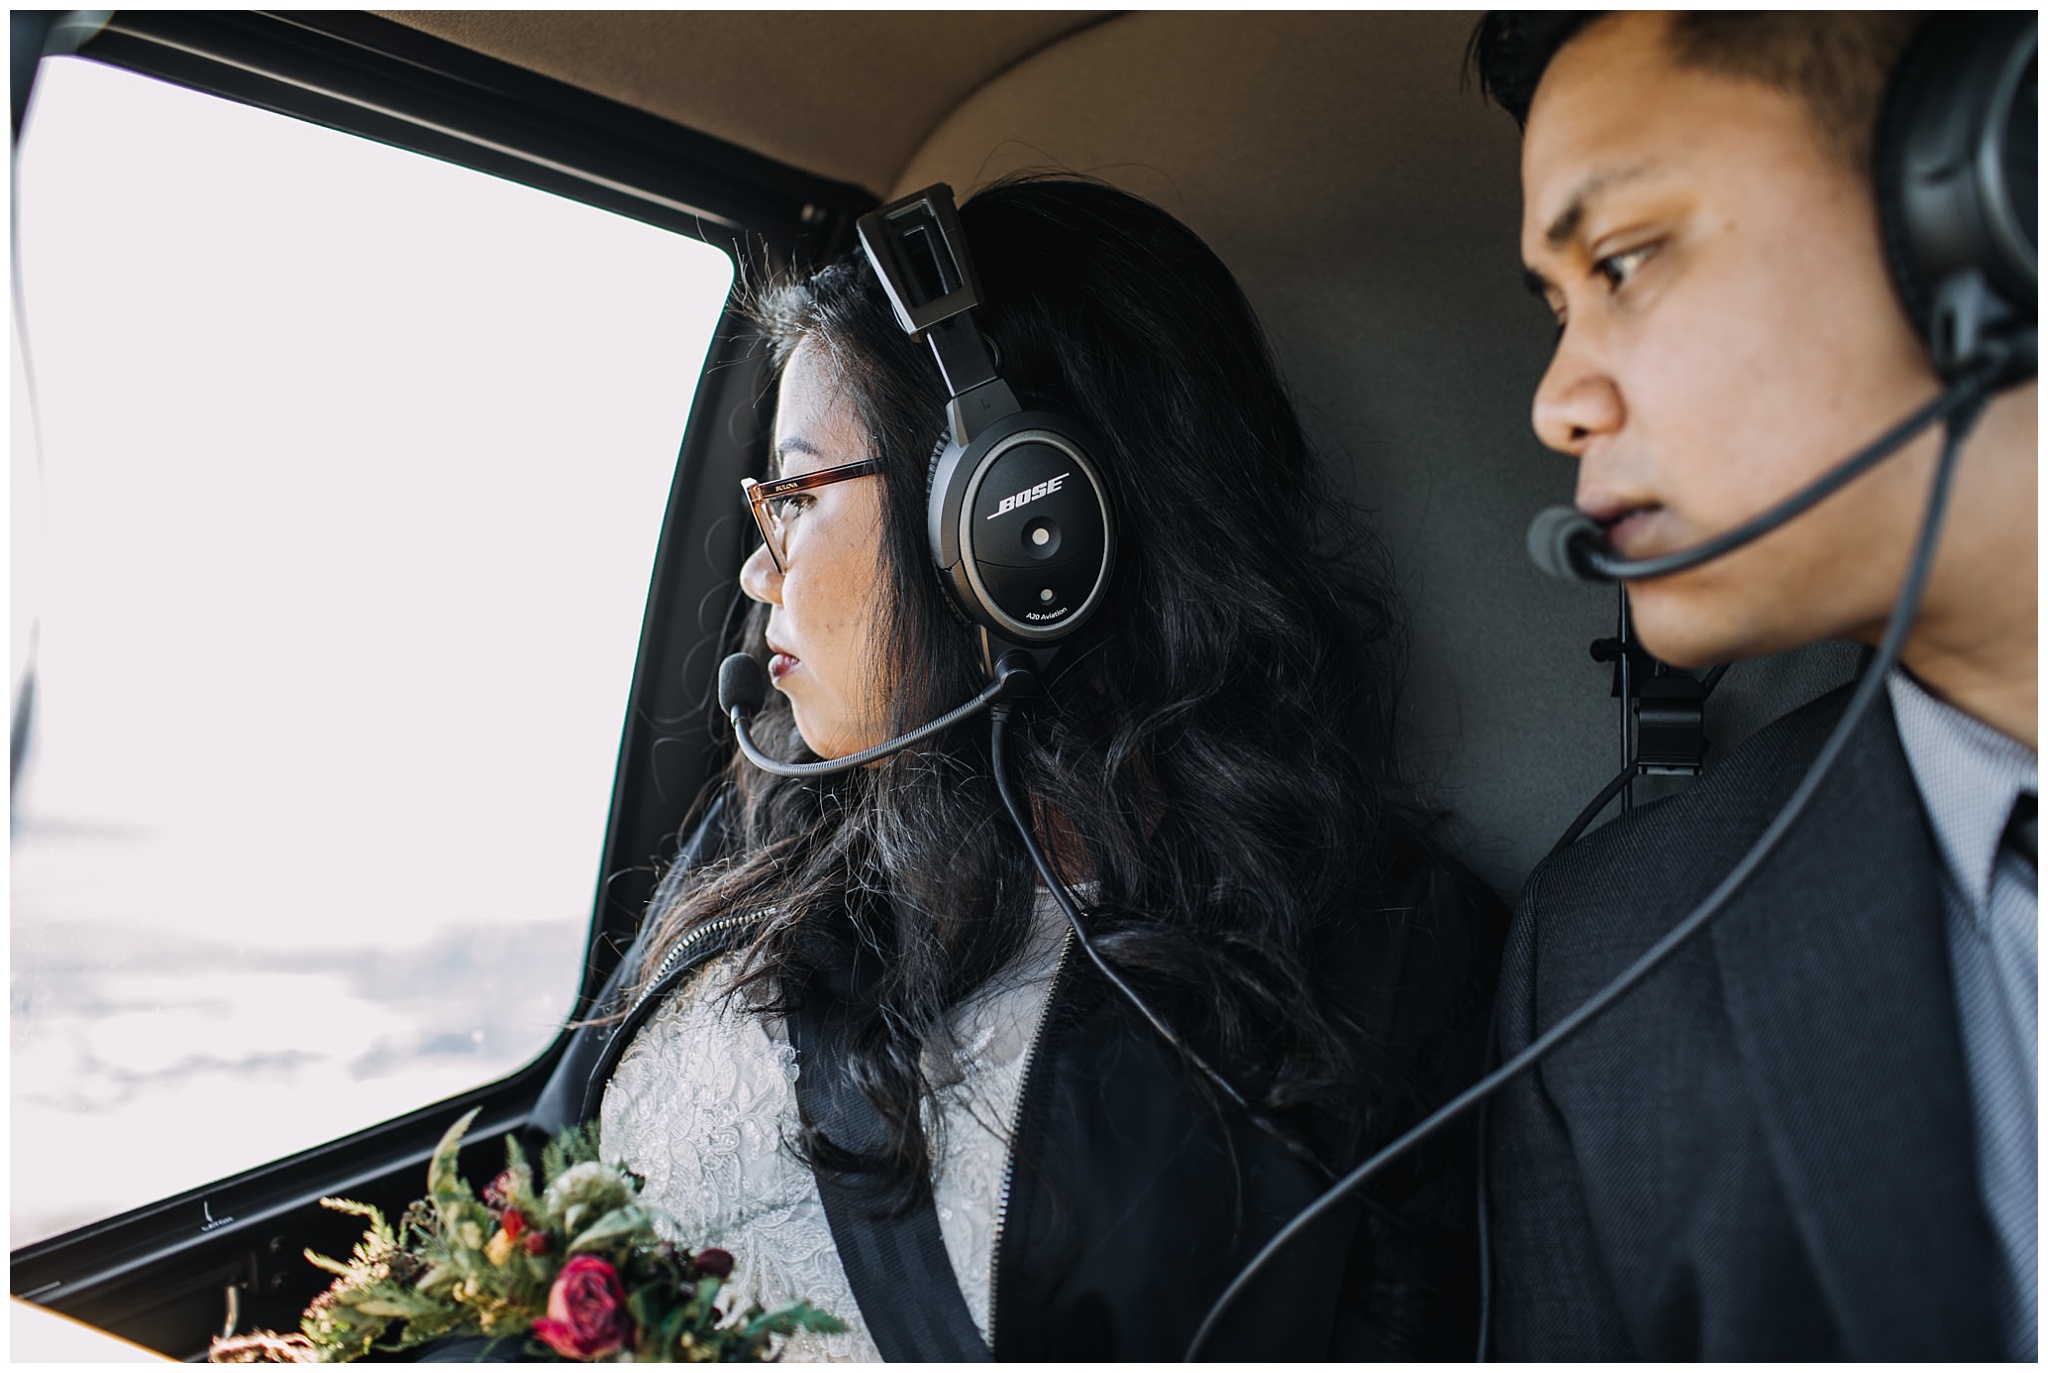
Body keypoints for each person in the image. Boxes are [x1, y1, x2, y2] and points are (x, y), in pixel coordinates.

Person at [506, 177, 1505, 1361]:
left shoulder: (1380, 959)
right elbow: (534, 1209)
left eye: (794, 493)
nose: (756, 575)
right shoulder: (762, 830)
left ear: (1014, 520)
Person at [1470, 12, 2037, 1361]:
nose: (1557, 401)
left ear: (1993, 194)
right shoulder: (1607, 972)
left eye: (1621, 262)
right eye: (1557, 307)